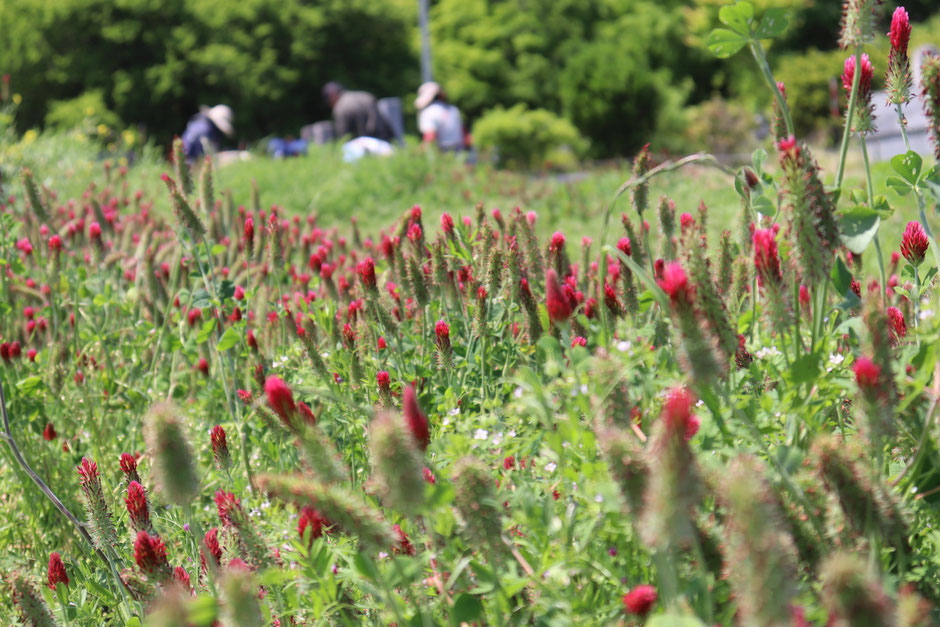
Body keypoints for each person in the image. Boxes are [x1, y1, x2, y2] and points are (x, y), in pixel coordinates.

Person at [322, 82, 391, 141]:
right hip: (383, 143)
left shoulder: (340, 108)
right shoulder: (366, 96)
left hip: (363, 149)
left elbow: (344, 137)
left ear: (332, 95)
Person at [414, 82, 467, 151]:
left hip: (441, 152)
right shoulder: (453, 109)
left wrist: (416, 152)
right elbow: (464, 134)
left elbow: (430, 138)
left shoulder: (428, 112)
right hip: (459, 150)